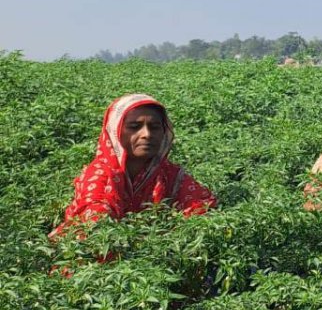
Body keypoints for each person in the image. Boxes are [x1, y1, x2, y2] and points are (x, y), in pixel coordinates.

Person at [51, 94, 216, 239]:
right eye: (134, 127)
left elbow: (203, 209)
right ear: (116, 132)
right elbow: (97, 229)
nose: (146, 134)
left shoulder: (168, 174)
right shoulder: (100, 175)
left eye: (155, 127)